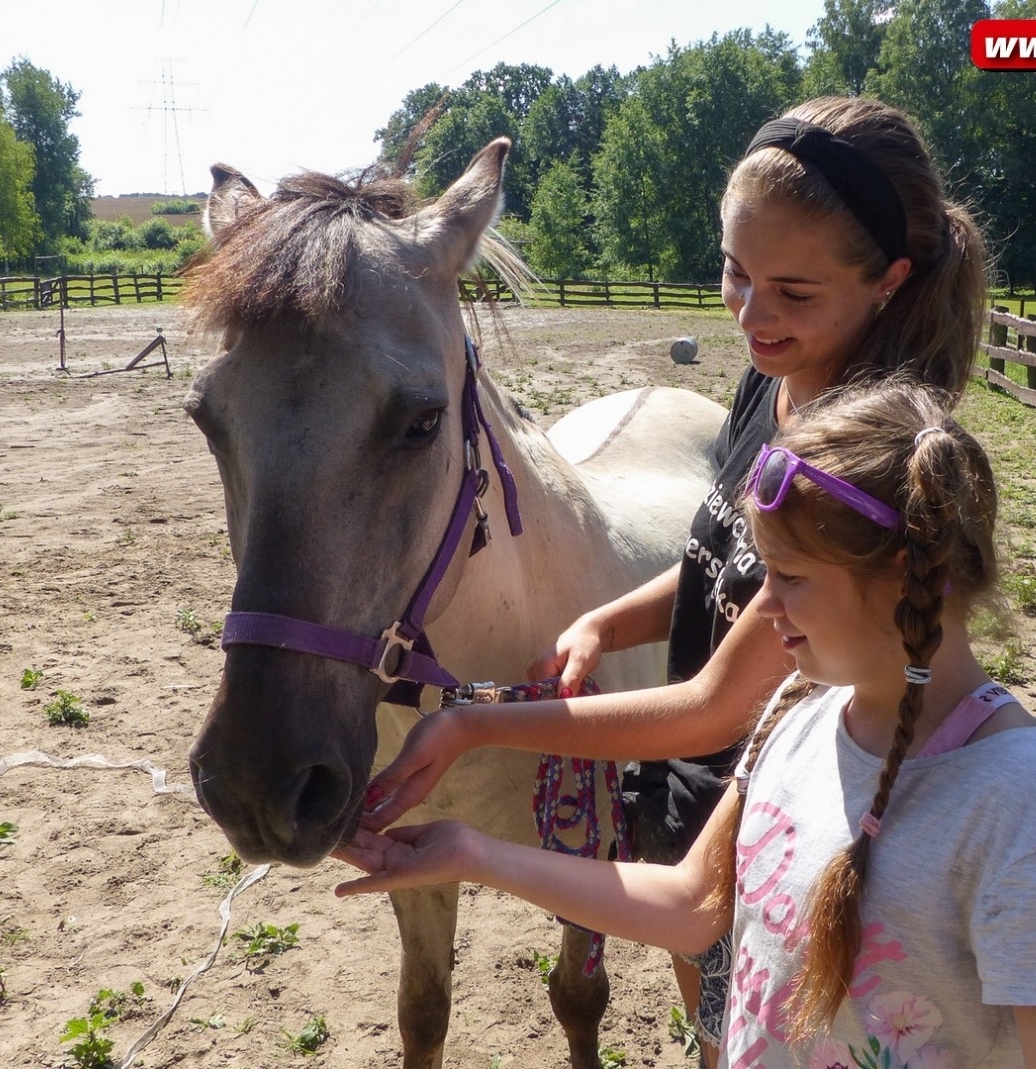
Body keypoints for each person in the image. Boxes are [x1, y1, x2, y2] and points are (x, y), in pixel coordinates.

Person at [361, 95, 989, 1057]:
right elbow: (717, 559)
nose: (751, 310)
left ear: (889, 283)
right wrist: (612, 620)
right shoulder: (770, 380)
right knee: (714, 1015)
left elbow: (710, 702)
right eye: (736, 272)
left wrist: (472, 720)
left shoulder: (852, 466)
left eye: (794, 291)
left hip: (768, 794)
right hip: (695, 793)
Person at [340, 382, 1036, 1069]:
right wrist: (474, 853)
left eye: (785, 578)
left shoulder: (1026, 822)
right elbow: (692, 902)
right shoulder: (796, 712)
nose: (760, 609)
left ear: (900, 577)